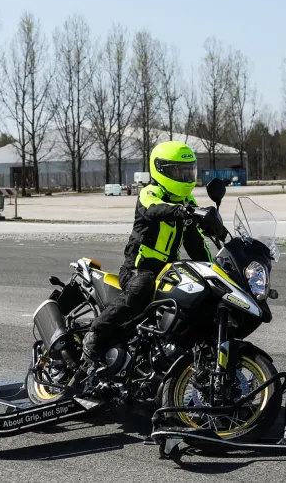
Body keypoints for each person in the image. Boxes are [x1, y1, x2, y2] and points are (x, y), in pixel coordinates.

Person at [82, 140, 213, 367]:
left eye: (187, 171)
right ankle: (95, 335)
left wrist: (214, 269)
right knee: (142, 286)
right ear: (160, 170)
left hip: (168, 270)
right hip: (138, 268)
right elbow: (154, 210)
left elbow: (196, 245)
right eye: (177, 171)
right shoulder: (149, 192)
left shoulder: (187, 201)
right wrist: (182, 211)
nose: (184, 177)